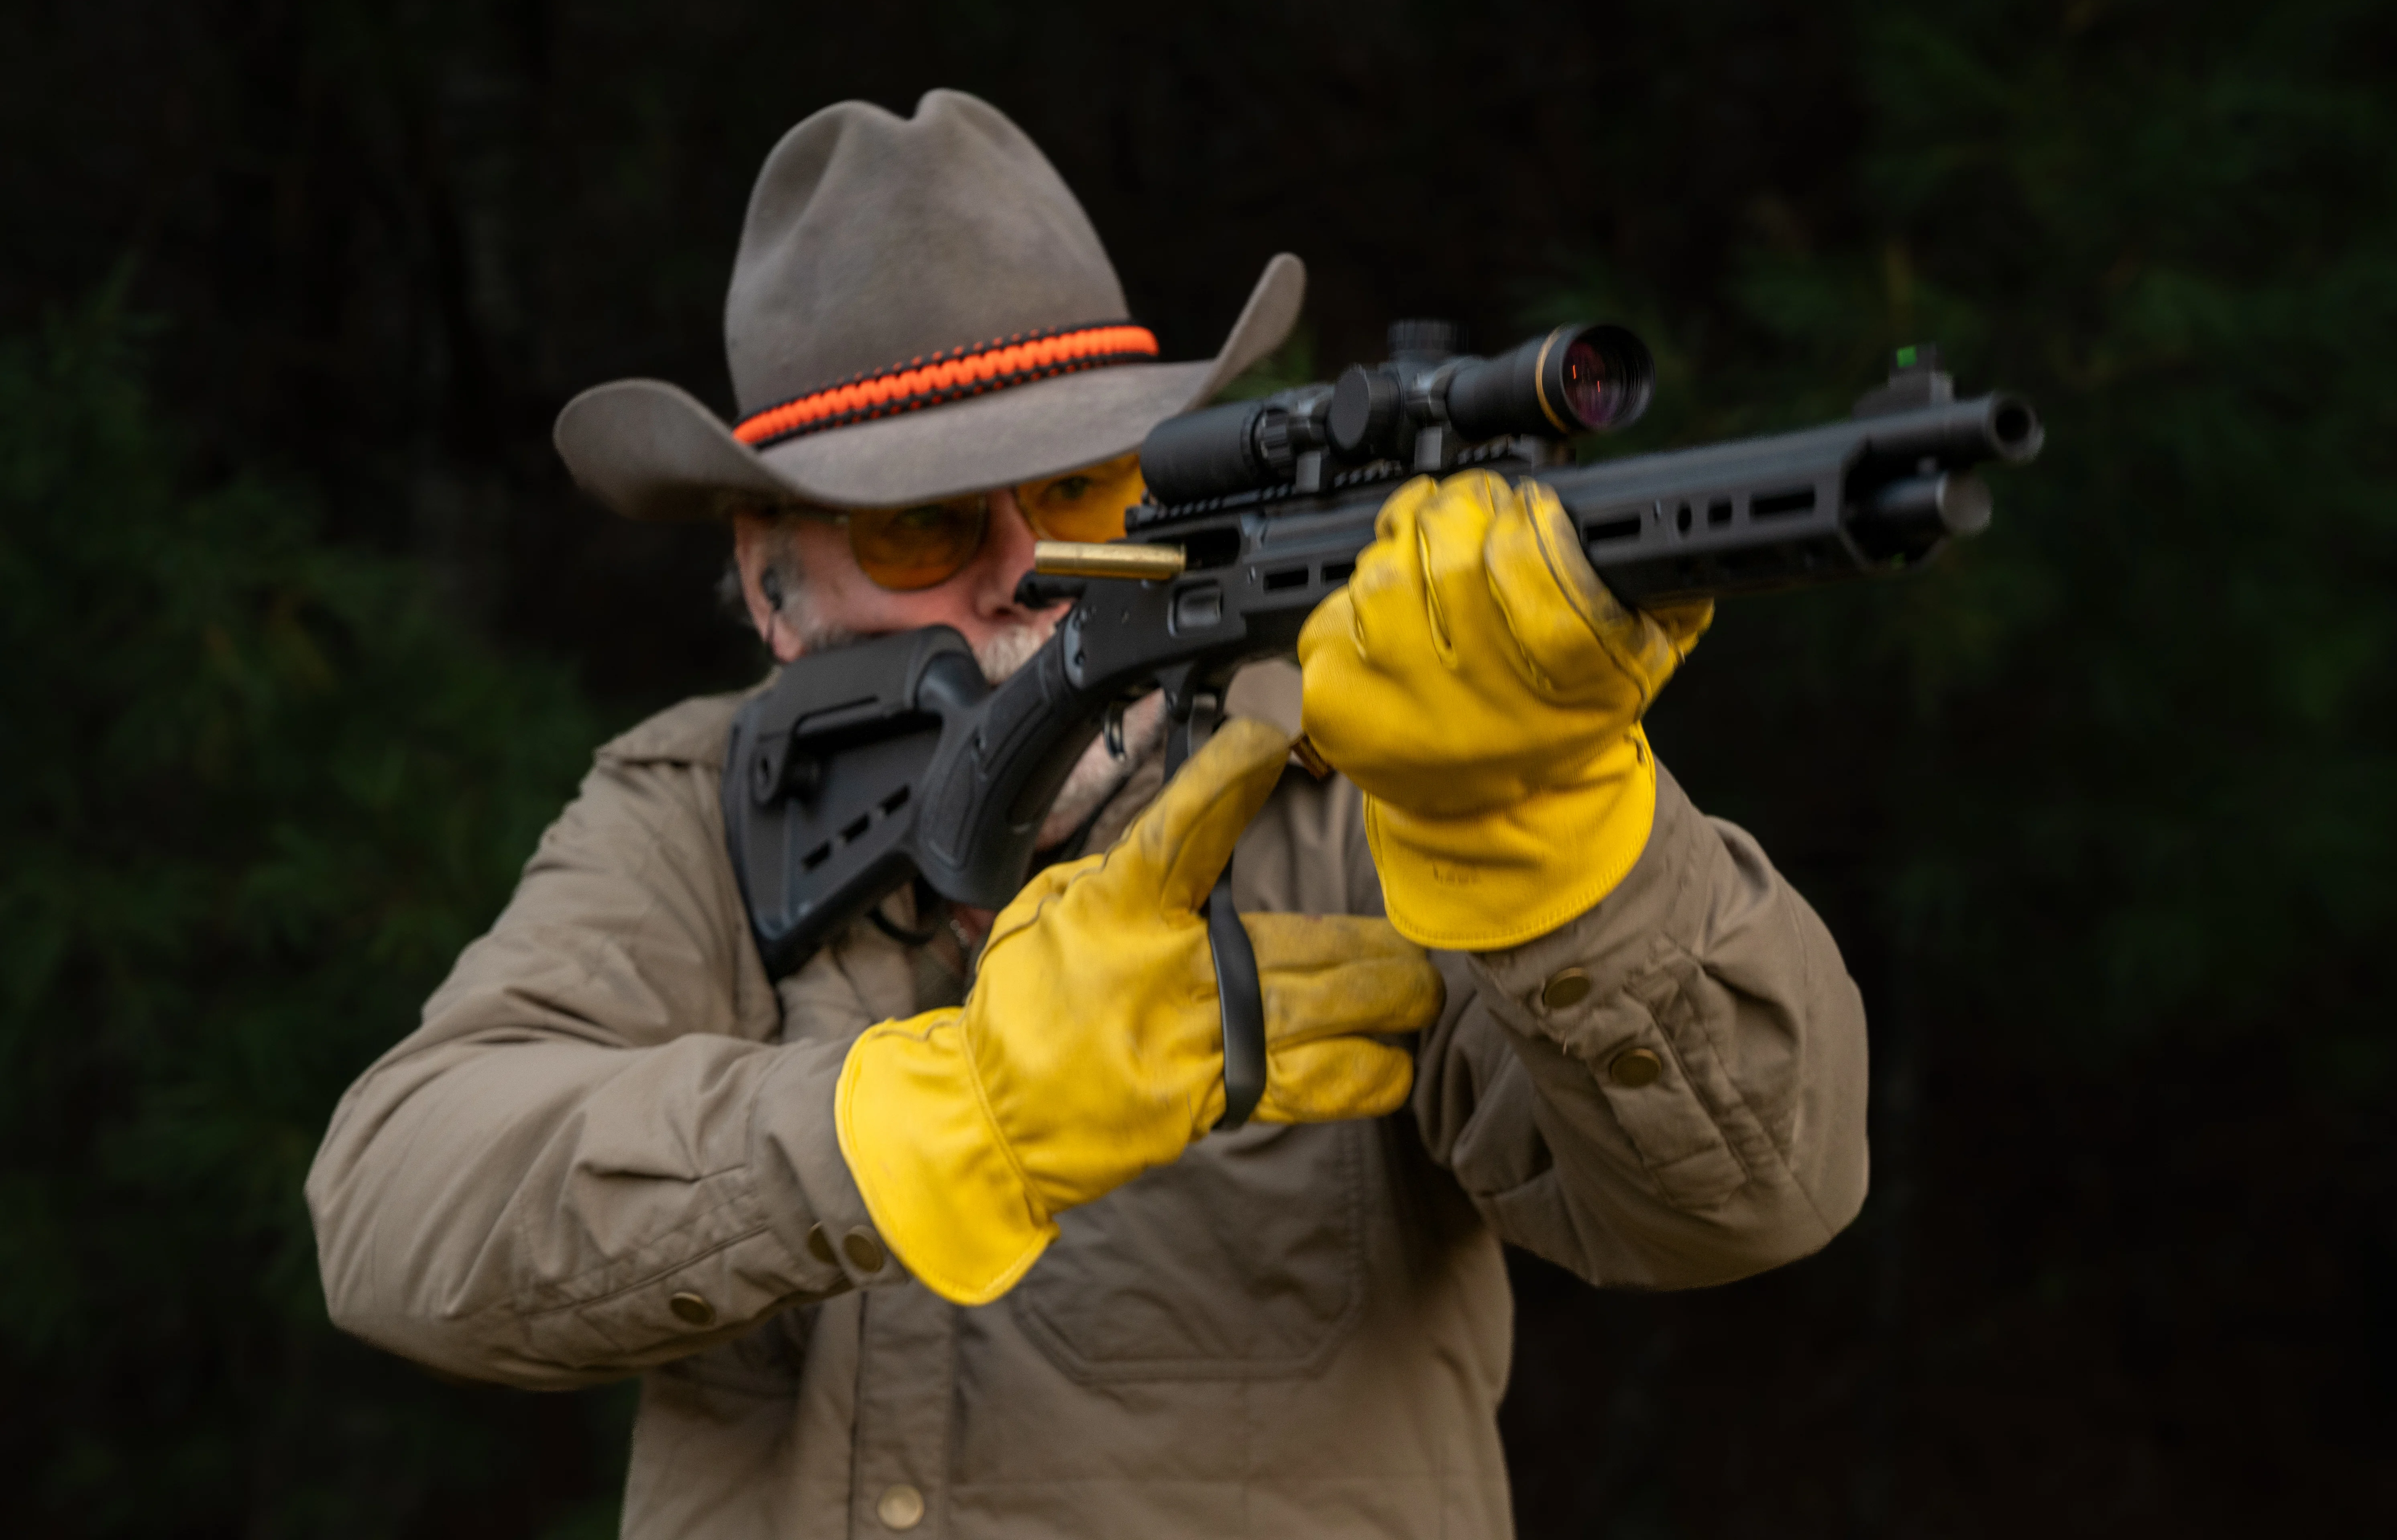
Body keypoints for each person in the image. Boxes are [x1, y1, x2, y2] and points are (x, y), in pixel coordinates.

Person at [307, 89, 1869, 1539]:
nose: (1026, 570)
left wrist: (1544, 823)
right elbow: (397, 1207)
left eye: (1077, 493)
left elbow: (1755, 1193)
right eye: (924, 526)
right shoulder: (696, 809)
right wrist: (942, 1123)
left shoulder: (1385, 781)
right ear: (773, 580)